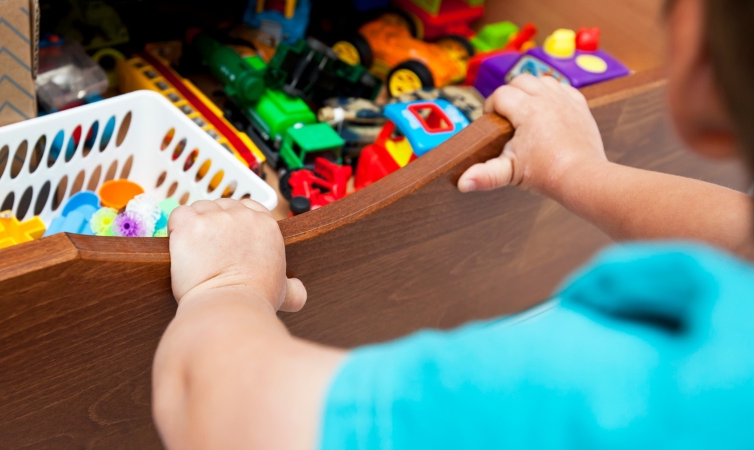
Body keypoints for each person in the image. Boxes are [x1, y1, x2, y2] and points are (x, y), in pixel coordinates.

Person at [152, 0, 754, 448]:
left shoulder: (603, 387)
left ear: (697, 60)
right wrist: (576, 170)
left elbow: (227, 413)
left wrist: (225, 289)